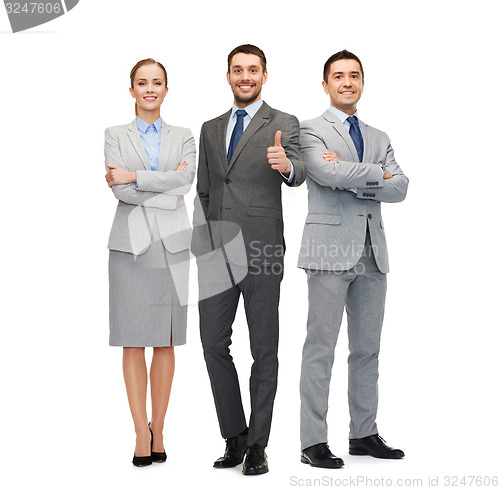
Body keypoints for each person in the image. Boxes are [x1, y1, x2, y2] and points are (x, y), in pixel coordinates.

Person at [193, 44, 306, 475]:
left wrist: (285, 166)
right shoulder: (210, 127)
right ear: (228, 76)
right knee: (212, 344)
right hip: (217, 252)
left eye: (253, 70)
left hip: (261, 248)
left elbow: (297, 171)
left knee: (264, 349)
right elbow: (205, 189)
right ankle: (235, 435)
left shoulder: (283, 122)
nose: (246, 76)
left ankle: (258, 444)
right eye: (238, 70)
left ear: (264, 75)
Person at [298, 50, 409, 468]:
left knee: (367, 349)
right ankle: (312, 441)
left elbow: (401, 188)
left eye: (355, 75)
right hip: (328, 250)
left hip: (371, 252)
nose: (348, 82)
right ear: (325, 84)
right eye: (339, 76)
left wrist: (356, 174)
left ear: (363, 82)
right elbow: (324, 174)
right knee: (320, 348)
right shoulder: (309, 128)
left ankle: (363, 433)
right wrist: (375, 173)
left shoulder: (379, 135)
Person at [104, 58, 196, 467]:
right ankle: (140, 430)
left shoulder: (184, 135)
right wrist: (167, 186)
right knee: (132, 338)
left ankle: (159, 428)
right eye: (142, 83)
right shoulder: (114, 135)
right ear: (131, 90)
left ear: (166, 89)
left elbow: (187, 181)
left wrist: (136, 176)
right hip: (131, 246)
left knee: (165, 339)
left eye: (156, 82)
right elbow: (120, 194)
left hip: (172, 247)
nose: (149, 89)